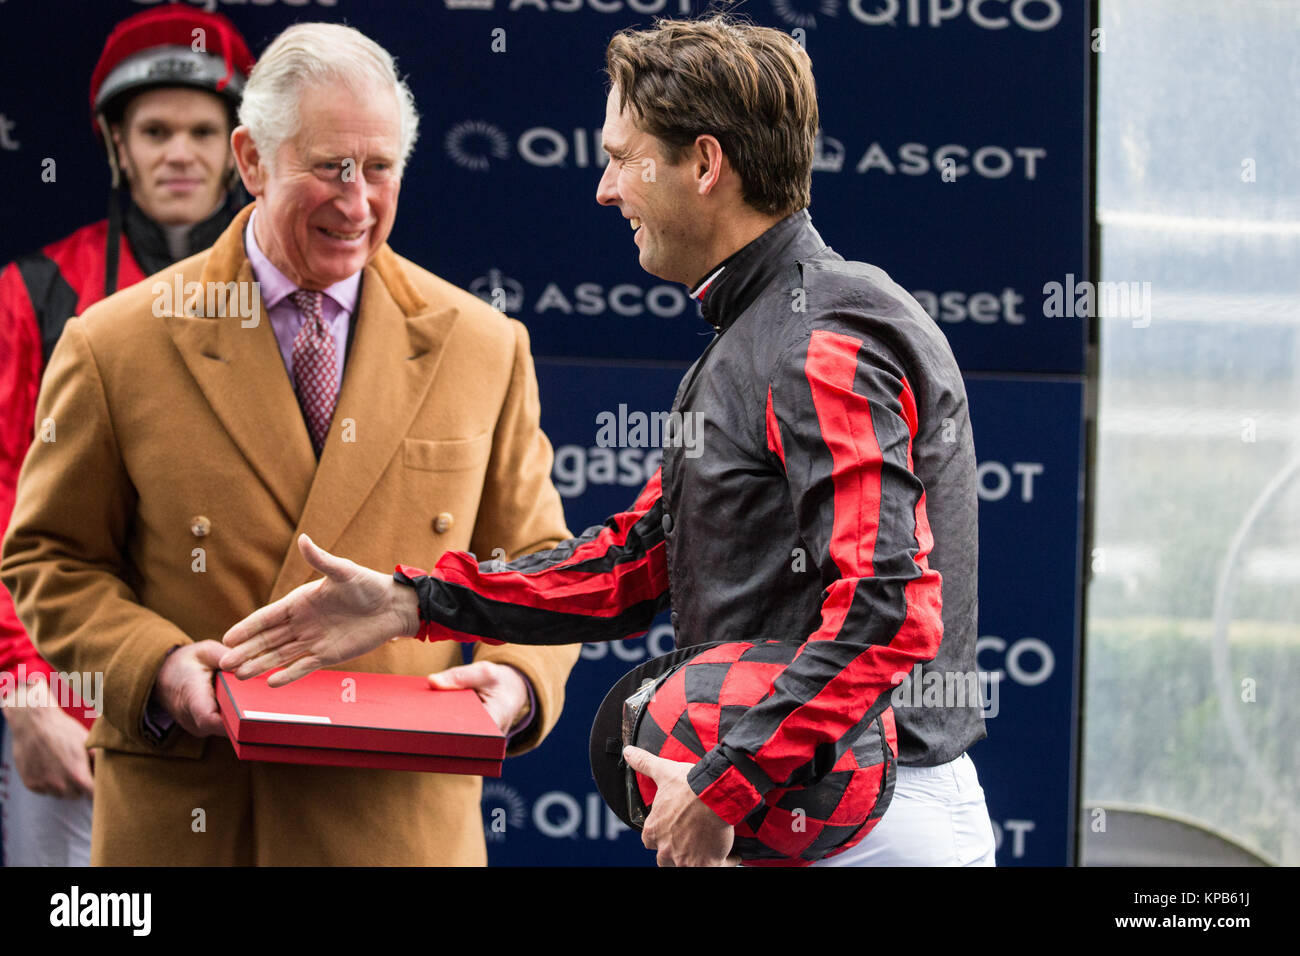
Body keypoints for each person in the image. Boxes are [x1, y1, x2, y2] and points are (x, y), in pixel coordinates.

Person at [220, 16, 995, 867]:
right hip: (800, 816)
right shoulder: (762, 329)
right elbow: (637, 565)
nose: (603, 187)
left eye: (623, 157)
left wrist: (722, 784)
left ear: (704, 165)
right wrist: (413, 602)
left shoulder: (822, 336)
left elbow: (888, 608)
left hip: (865, 824)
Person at [1, 21, 579, 866]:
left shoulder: (482, 345)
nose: (356, 203)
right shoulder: (113, 341)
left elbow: (537, 558)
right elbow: (50, 560)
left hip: (396, 825)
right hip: (196, 824)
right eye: (327, 168)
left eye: (379, 169)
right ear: (252, 160)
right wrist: (155, 668)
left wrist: (519, 680)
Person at [0, 6, 254, 867]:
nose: (178, 152)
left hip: (252, 710)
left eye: (200, 130)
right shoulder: (31, 293)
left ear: (240, 147)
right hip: (73, 707)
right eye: (153, 130)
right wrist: (25, 689)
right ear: (116, 143)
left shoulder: (304, 296)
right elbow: (7, 508)